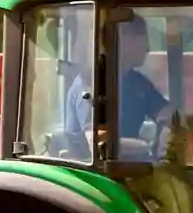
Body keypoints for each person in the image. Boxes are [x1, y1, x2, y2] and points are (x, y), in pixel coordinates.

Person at [66, 15, 172, 148]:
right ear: (125, 40)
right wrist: (144, 148)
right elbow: (97, 142)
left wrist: (168, 123)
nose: (148, 48)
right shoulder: (91, 83)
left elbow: (164, 111)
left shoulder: (137, 82)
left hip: (126, 164)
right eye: (144, 40)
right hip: (91, 166)